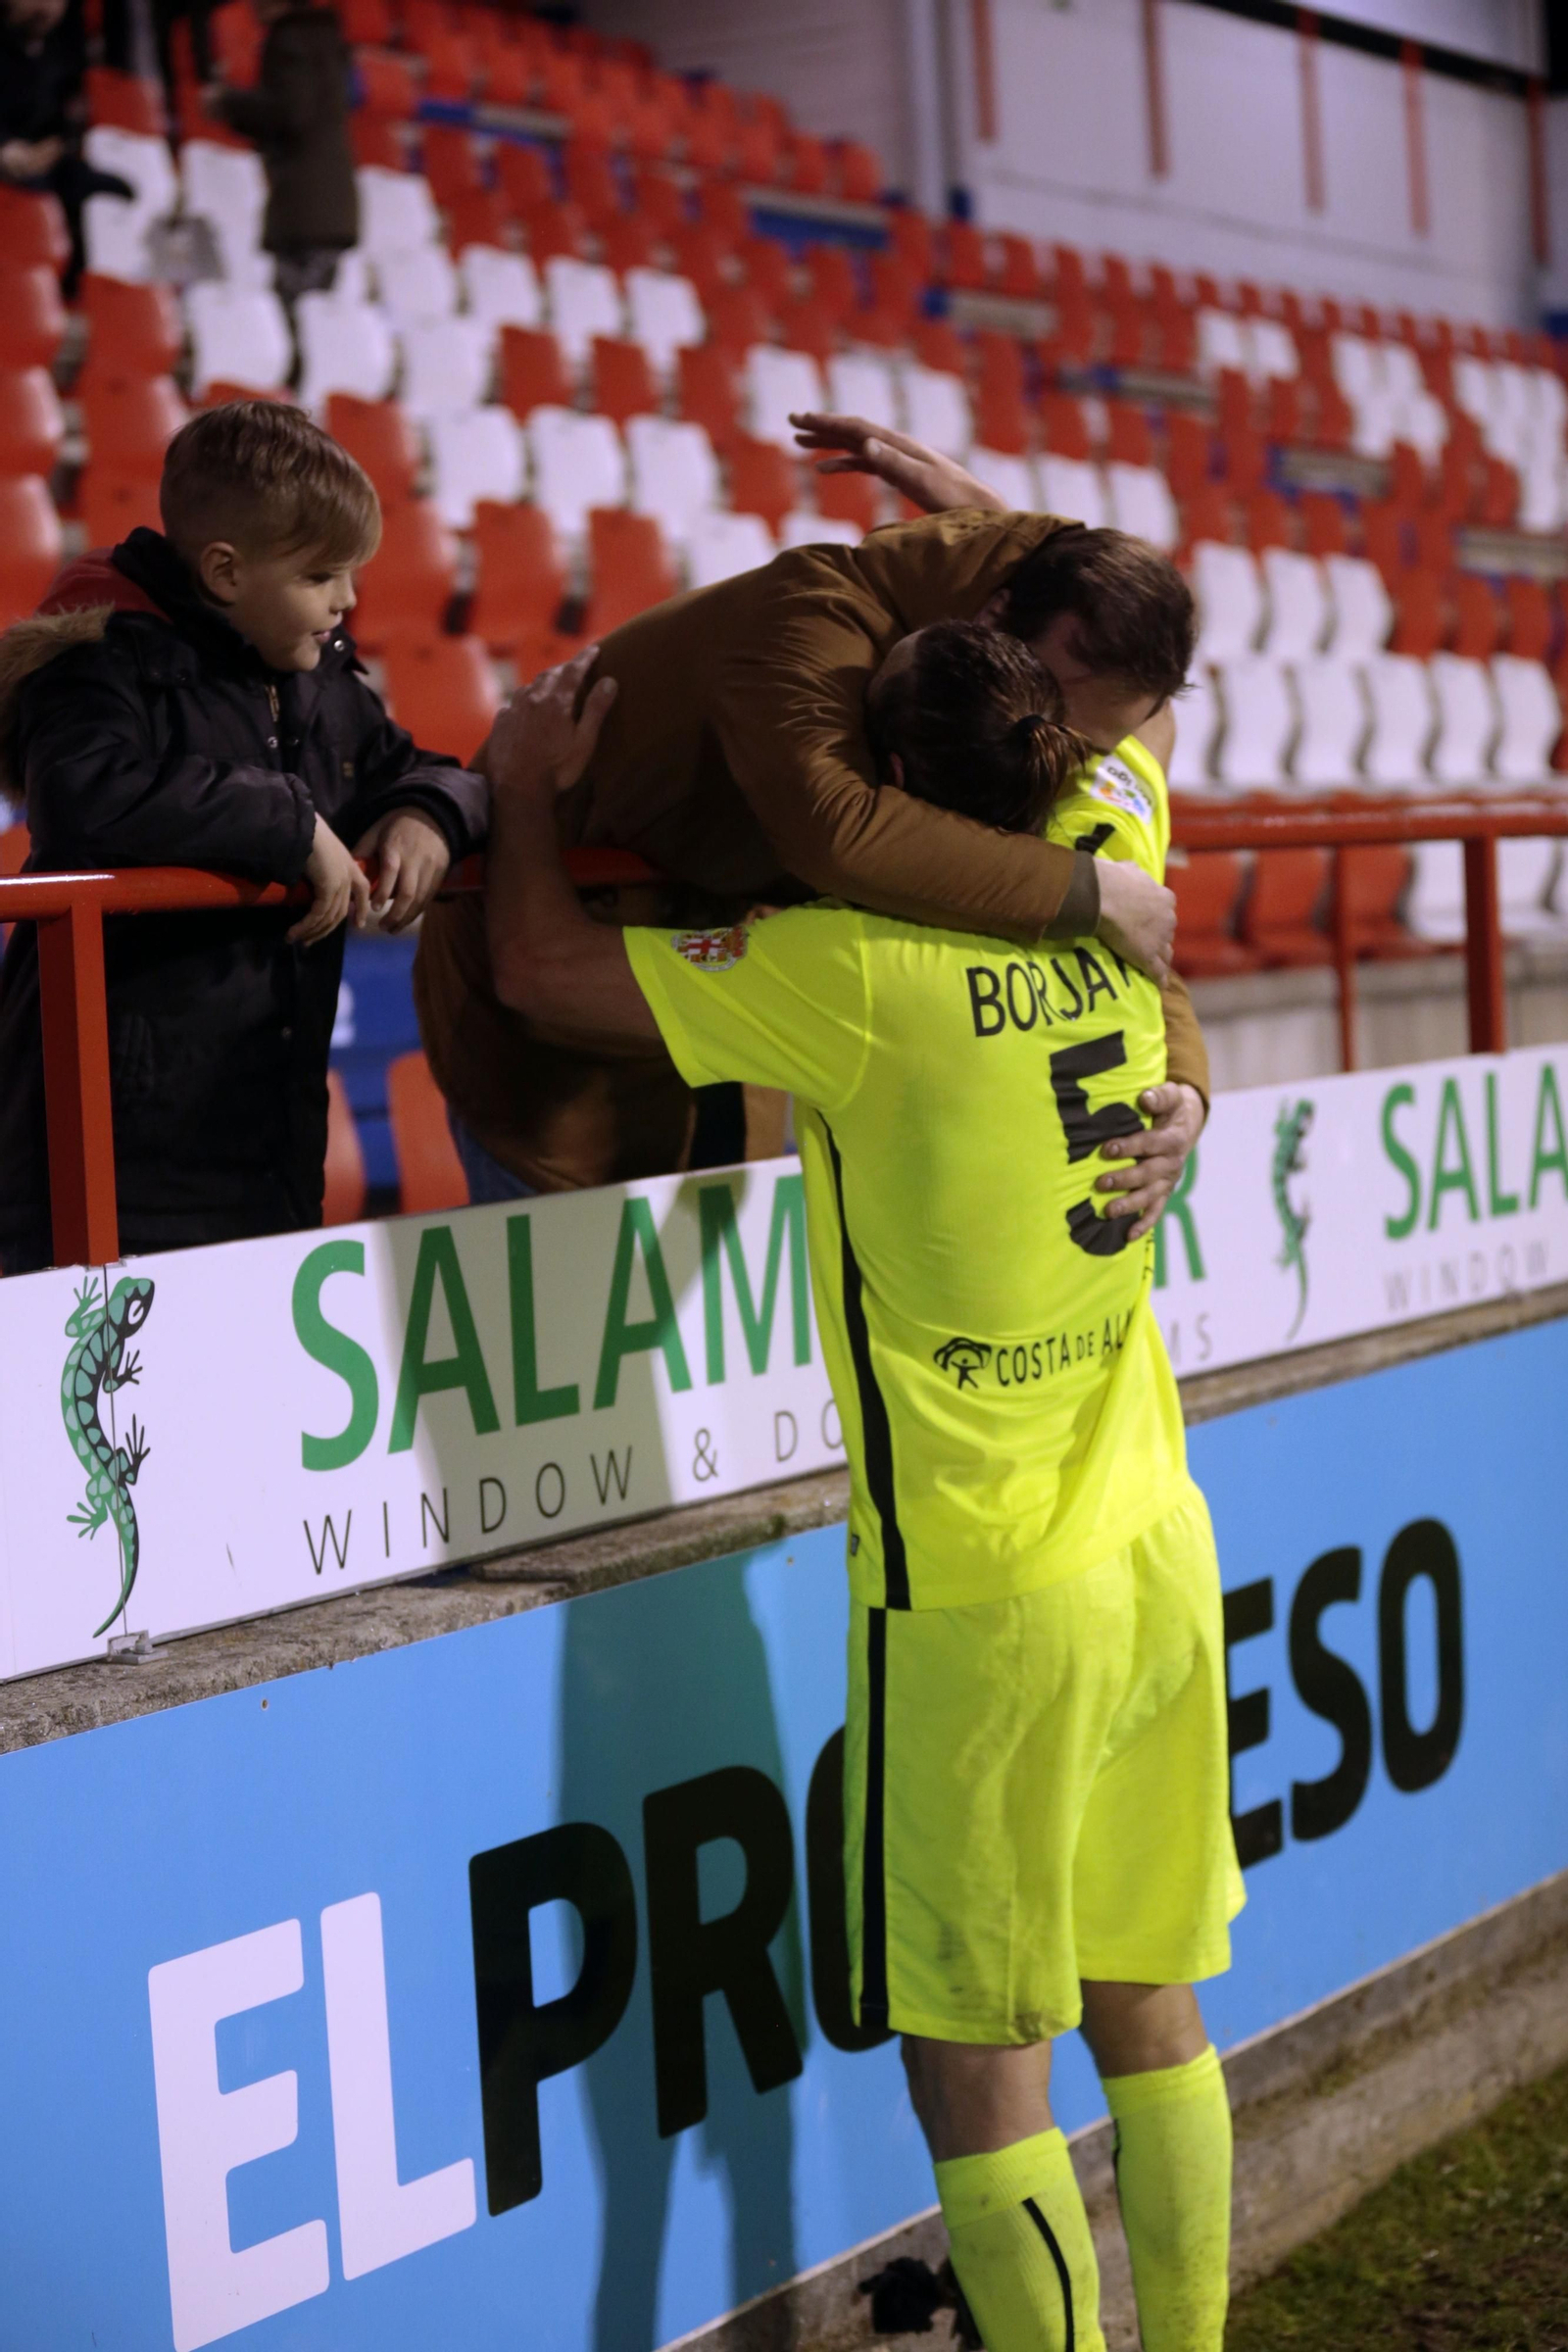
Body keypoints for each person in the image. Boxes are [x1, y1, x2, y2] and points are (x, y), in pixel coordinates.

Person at [480, 634, 1240, 2352]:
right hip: (1155, 1543)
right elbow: (1140, 700)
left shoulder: (853, 971)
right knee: (1150, 2004)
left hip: (979, 1602)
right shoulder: (1117, 892)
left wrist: (523, 789)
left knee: (978, 2067)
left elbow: (534, 969)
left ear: (883, 797)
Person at [415, 468, 1209, 1229]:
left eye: (1087, 748)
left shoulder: (1021, 733)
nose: (1063, 764)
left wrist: (1183, 1078)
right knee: (578, 1311)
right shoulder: (815, 634)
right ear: (992, 619)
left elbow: (1123, 902)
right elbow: (844, 834)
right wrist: (1091, 896)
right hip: (566, 1069)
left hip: (722, 1033)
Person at [0, 399, 486, 1270]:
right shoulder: (97, 650)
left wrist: (429, 815)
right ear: (225, 571)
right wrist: (289, 821)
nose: (347, 601)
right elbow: (84, 795)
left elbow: (434, 770)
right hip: (105, 1166)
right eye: (321, 576)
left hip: (271, 1150)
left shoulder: (317, 677)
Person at [206, 0, 357, 311]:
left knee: (296, 315)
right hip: (328, 203)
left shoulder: (290, 40)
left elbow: (290, 112)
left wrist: (228, 104)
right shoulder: (325, 39)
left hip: (305, 202)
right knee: (311, 315)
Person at [0, 0, 135, 290]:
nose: (45, 7)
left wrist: (58, 147)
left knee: (117, 190)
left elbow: (66, 117)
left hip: (47, 161)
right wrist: (7, 150)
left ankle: (85, 293)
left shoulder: (60, 49)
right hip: (10, 167)